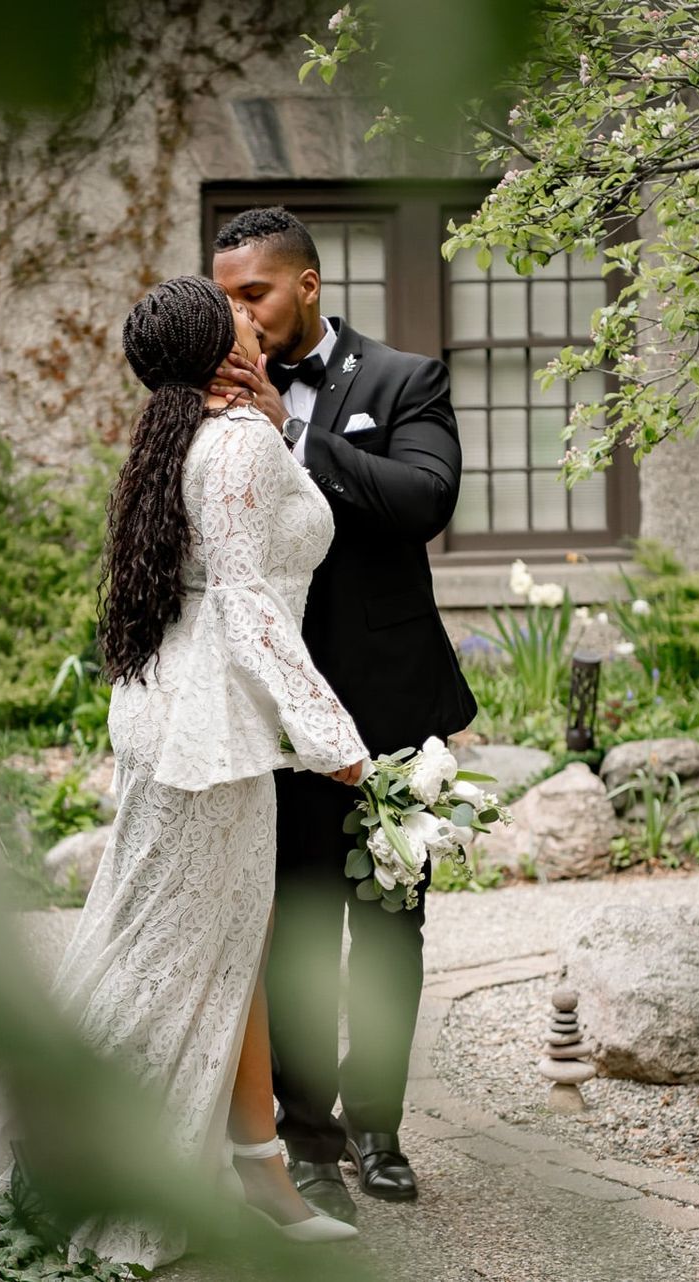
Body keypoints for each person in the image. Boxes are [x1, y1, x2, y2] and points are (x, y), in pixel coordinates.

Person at [0, 275, 370, 1267]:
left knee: (163, 943)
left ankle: (253, 1168)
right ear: (219, 343)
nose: (256, 319)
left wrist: (279, 433)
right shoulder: (237, 442)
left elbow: (244, 557)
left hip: (166, 722)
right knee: (177, 960)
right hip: (210, 744)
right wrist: (335, 739)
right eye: (239, 312)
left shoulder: (195, 437)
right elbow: (253, 605)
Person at [210, 208, 477, 1224]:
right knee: (299, 931)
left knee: (392, 930)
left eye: (254, 293)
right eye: (225, 294)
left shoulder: (405, 380)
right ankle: (307, 1139)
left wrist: (296, 432)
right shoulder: (212, 401)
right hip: (279, 719)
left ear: (307, 286)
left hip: (393, 708)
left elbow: (424, 500)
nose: (237, 313)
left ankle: (379, 1127)